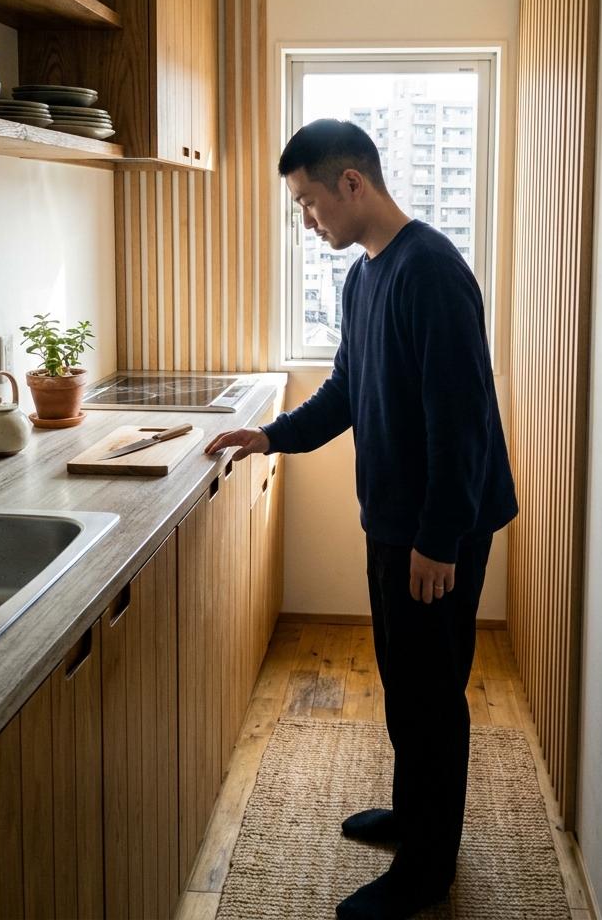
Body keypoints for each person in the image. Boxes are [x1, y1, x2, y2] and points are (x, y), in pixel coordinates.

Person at [204, 119, 517, 920]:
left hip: (435, 528)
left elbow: (464, 421)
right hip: (395, 520)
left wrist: (439, 539)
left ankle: (426, 871)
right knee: (405, 683)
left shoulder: (432, 273)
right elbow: (348, 389)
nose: (308, 220)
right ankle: (414, 818)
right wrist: (271, 436)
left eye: (309, 202)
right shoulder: (364, 277)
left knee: (432, 693)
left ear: (353, 184)